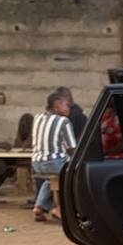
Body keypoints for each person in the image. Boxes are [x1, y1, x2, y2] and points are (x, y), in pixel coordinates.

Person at [31, 90, 77, 221]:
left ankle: (39, 207)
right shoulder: (64, 121)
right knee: (73, 174)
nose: (69, 108)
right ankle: (59, 208)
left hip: (36, 164)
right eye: (66, 105)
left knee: (51, 179)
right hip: (53, 163)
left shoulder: (38, 117)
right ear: (57, 105)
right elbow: (72, 148)